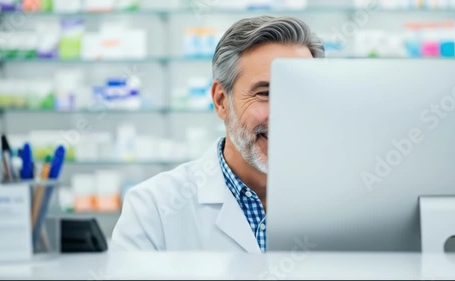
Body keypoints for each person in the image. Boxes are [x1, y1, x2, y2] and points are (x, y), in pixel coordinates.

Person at [111, 15, 325, 253]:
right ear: (221, 101)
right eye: (265, 93)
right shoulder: (152, 209)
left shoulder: (338, 202)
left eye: (298, 93)